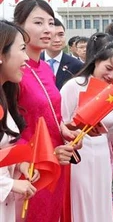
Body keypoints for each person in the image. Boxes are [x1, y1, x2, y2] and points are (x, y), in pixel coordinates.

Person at [61, 41, 113, 222]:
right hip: (79, 160)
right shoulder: (73, 87)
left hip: (103, 159)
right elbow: (60, 125)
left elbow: (112, 135)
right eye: (108, 68)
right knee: (83, 206)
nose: (111, 75)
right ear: (96, 61)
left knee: (102, 206)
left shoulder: (111, 93)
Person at [13, 0, 77, 222]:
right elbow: (11, 128)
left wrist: (65, 131)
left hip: (56, 163)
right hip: (30, 169)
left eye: (51, 23)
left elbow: (50, 113)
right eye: (39, 23)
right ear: (19, 26)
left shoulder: (46, 71)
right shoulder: (15, 73)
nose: (48, 30)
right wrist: (30, 159)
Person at [0, 21, 40, 222]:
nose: (26, 58)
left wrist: (19, 164)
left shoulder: (5, 96)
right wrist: (10, 185)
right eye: (22, 49)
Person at [41, 18, 83, 89]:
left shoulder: (77, 65)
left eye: (61, 35)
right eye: (52, 35)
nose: (57, 40)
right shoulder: (33, 63)